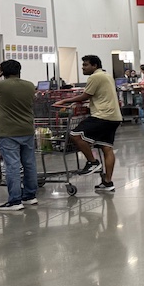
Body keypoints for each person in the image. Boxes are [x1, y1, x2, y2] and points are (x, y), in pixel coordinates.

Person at [52, 55, 122, 193]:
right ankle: (107, 183)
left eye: (85, 65)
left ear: (94, 65)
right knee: (106, 148)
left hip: (102, 115)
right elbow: (99, 96)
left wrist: (64, 102)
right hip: (114, 117)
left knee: (75, 134)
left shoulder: (95, 77)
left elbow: (85, 95)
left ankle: (92, 162)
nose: (83, 68)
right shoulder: (106, 75)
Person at [0, 60, 39, 211]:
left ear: (3, 72)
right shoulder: (29, 85)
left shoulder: (1, 85)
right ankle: (30, 196)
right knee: (29, 163)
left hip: (9, 132)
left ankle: (14, 200)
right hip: (27, 129)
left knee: (12, 165)